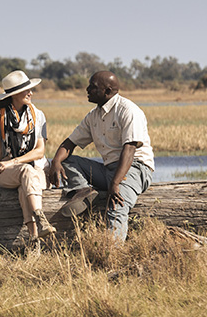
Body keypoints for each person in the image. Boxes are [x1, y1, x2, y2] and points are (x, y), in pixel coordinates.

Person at [47, 71, 154, 241]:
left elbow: (130, 150)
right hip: (108, 170)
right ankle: (84, 191)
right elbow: (69, 143)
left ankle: (112, 254)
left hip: (134, 168)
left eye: (93, 87)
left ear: (107, 91)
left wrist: (115, 183)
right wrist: (56, 161)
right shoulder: (93, 116)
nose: (87, 89)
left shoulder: (128, 110)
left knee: (116, 207)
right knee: (67, 160)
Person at [0, 70, 57, 241]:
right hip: (7, 172)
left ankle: (34, 238)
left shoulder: (38, 115)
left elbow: (40, 151)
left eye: (30, 89)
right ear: (14, 94)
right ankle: (41, 219)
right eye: (26, 90)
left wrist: (13, 162)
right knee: (26, 172)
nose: (30, 93)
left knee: (25, 182)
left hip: (37, 169)